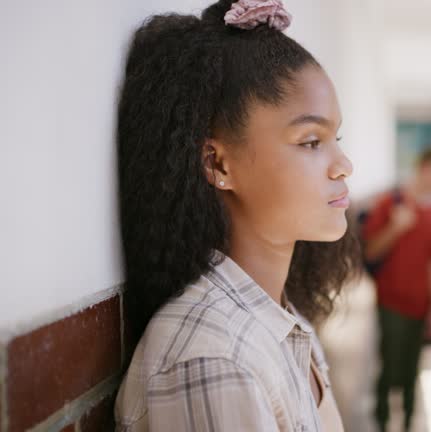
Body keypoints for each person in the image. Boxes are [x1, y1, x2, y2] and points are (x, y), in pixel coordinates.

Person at [114, 1, 359, 430]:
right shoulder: (213, 356)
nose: (344, 166)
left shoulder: (287, 324)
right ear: (218, 165)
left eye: (335, 137)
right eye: (310, 141)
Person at [363, 148, 431, 432]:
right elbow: (371, 252)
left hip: (421, 303)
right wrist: (396, 227)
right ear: (425, 169)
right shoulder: (390, 203)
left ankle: (409, 422)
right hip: (391, 300)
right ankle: (382, 419)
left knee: (413, 369)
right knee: (390, 366)